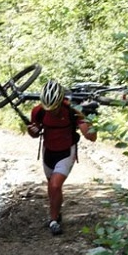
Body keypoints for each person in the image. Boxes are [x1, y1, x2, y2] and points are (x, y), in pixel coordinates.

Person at [27, 79, 97, 236]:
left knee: (55, 185)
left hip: (66, 151)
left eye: (54, 108)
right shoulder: (38, 111)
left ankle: (53, 221)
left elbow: (92, 137)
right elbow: (34, 134)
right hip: (48, 152)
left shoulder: (72, 110)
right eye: (48, 109)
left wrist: (87, 121)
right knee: (51, 187)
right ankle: (56, 213)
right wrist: (33, 130)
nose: (51, 111)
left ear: (60, 102)